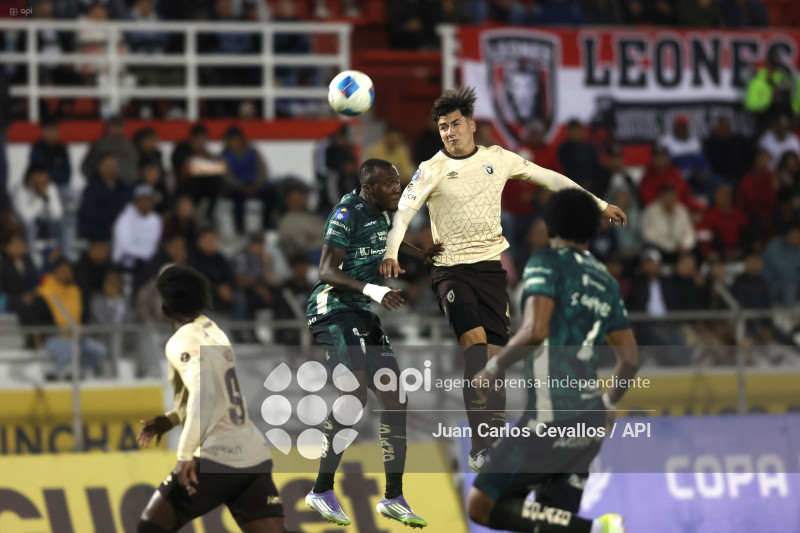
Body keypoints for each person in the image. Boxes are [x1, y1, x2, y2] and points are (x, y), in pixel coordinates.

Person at [380, 87, 626, 471]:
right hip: (451, 271)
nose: (449, 132)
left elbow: (550, 179)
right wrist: (393, 250)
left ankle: (492, 441)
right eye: (443, 127)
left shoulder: (499, 158)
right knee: (475, 347)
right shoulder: (431, 169)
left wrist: (600, 204)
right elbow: (402, 216)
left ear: (472, 125)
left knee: (493, 365)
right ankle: (480, 445)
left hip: (492, 272)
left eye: (455, 124)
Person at [467, 189, 637, 533]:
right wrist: (609, 403)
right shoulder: (605, 279)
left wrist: (492, 369)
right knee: (549, 525)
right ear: (592, 229)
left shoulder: (545, 262)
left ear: (550, 224)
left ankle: (595, 530)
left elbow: (535, 330)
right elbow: (631, 359)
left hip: (550, 420)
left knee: (481, 505)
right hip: (589, 419)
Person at [304, 159, 438, 528]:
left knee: (396, 400)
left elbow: (389, 240)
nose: (398, 189)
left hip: (360, 312)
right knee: (355, 394)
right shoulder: (347, 212)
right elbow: (326, 270)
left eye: (398, 183)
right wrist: (375, 290)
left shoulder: (382, 212)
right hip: (332, 308)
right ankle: (321, 489)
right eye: (390, 184)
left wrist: (422, 254)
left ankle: (393, 497)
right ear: (368, 188)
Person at [135, 265, 297, 533]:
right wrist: (173, 417)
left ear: (164, 308)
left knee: (150, 527)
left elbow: (205, 393)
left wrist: (185, 454)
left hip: (218, 459)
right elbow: (218, 394)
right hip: (252, 457)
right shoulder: (215, 331)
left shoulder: (180, 343)